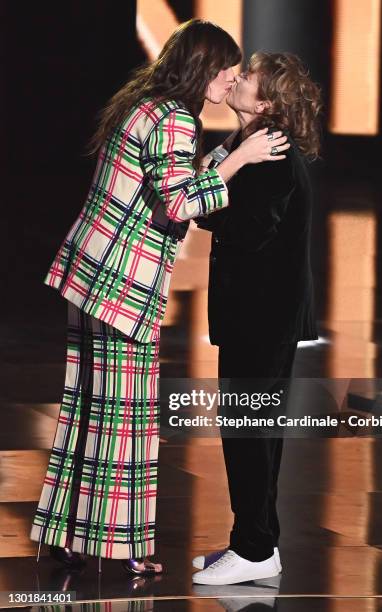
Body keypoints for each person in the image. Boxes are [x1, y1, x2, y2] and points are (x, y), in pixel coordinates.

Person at [29, 21, 290, 576]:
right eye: (226, 70)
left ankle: (68, 535)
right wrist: (240, 160)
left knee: (87, 411)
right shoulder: (174, 118)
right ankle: (121, 549)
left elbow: (168, 179)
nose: (231, 80)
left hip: (91, 272)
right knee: (123, 420)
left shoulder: (148, 105)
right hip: (123, 286)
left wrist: (222, 156)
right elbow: (177, 204)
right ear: (204, 69)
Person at [192, 52, 322, 585]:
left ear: (265, 103)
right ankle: (256, 543)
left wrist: (215, 181)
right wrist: (227, 162)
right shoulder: (249, 147)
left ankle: (253, 548)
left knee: (248, 433)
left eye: (248, 79)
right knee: (253, 431)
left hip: (263, 317)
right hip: (259, 315)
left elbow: (243, 229)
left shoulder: (268, 154)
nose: (237, 79)